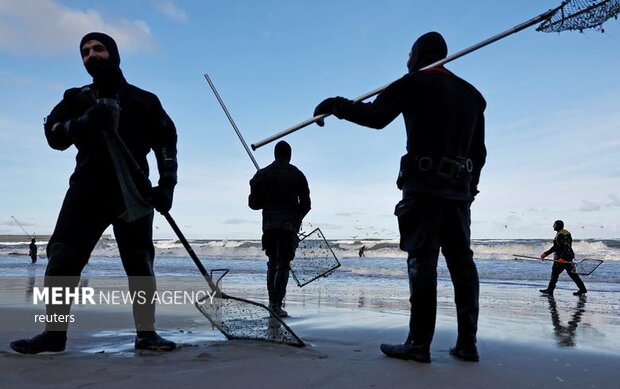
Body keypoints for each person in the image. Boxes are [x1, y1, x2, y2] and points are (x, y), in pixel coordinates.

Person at [314, 32, 486, 363]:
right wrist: (471, 188)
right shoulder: (472, 96)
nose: (406, 60)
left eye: (409, 53)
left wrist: (336, 105)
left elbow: (375, 118)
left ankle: (418, 344)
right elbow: (479, 153)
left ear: (419, 54)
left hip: (423, 188)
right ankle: (467, 344)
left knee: (423, 262)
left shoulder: (412, 83)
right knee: (462, 265)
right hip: (458, 192)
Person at [10, 32, 178, 354]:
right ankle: (54, 335)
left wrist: (167, 185)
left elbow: (166, 142)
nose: (91, 55)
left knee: (140, 264)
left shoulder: (145, 100)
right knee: (61, 258)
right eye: (85, 52)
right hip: (87, 190)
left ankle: (147, 334)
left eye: (98, 49)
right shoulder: (76, 98)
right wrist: (83, 121)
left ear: (114, 54)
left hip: (133, 191)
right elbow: (54, 135)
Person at [249, 141, 311, 318]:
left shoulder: (262, 175)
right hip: (287, 227)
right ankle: (276, 305)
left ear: (275, 154)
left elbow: (254, 204)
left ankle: (272, 303)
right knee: (283, 264)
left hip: (268, 226)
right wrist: (296, 218)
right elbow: (306, 205)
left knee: (272, 263)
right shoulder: (297, 174)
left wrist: (255, 187)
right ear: (289, 155)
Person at [539, 220, 587, 296]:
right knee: (571, 274)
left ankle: (550, 290)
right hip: (562, 257)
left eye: (554, 225)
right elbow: (556, 247)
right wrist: (545, 254)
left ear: (558, 225)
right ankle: (582, 289)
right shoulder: (560, 233)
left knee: (556, 273)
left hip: (564, 258)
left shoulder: (563, 234)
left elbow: (566, 247)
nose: (553, 226)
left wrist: (563, 258)